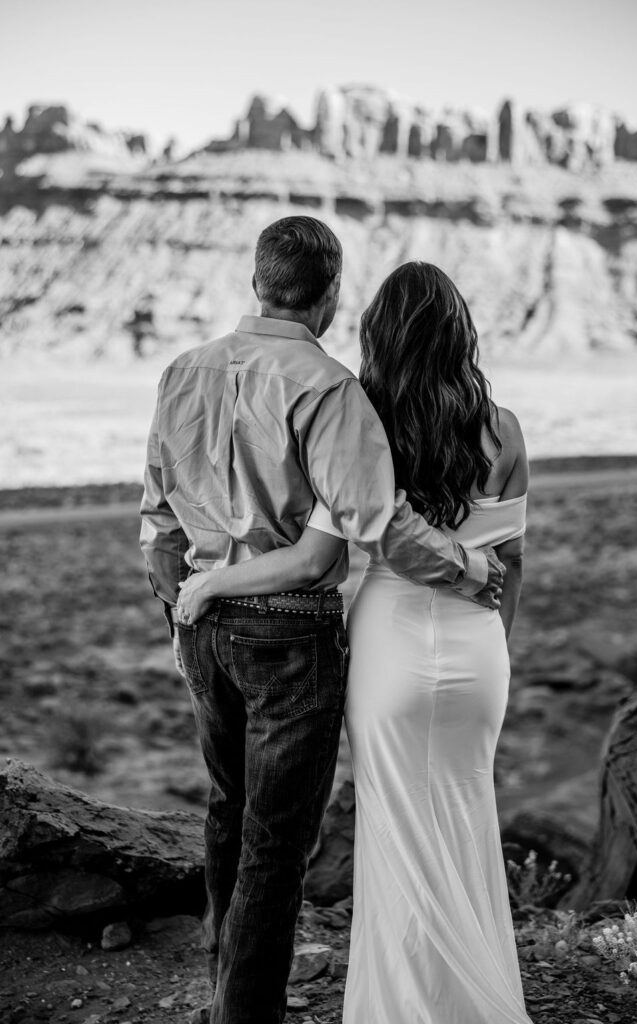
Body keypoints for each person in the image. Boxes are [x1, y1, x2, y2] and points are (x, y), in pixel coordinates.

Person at [139, 220, 505, 1024]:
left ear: (258, 281)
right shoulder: (327, 386)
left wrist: (182, 609)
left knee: (226, 813)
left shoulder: (182, 371)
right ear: (331, 292)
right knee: (275, 844)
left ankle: (219, 992)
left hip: (203, 627)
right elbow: (373, 522)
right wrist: (468, 568)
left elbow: (158, 521)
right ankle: (247, 1013)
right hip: (288, 633)